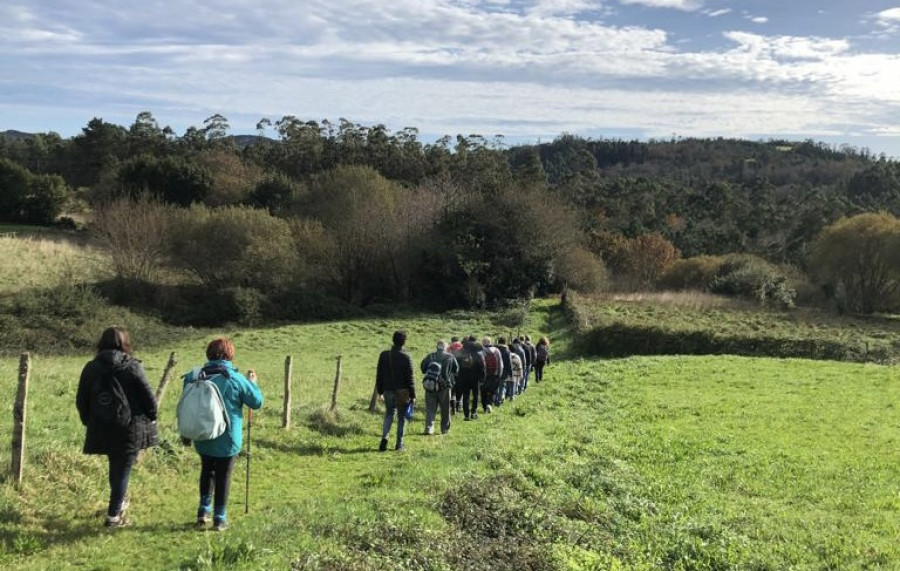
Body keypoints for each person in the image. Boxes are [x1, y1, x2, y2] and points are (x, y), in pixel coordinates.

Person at [76, 326, 159, 528]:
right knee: (122, 469)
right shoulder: (132, 367)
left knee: (116, 466)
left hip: (102, 425)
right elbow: (148, 397)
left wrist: (89, 420)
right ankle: (114, 516)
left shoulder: (91, 368)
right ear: (125, 343)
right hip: (130, 427)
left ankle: (118, 504)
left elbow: (81, 400)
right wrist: (152, 416)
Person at [183, 337, 263, 531]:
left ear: (209, 354)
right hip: (227, 437)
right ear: (230, 355)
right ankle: (220, 517)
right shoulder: (235, 378)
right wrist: (253, 383)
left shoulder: (193, 376)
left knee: (207, 470)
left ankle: (203, 510)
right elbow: (256, 402)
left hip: (201, 434)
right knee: (223, 474)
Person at [376, 330, 416, 451]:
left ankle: (384, 439)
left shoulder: (384, 355)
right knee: (401, 417)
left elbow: (379, 374)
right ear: (404, 342)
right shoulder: (406, 357)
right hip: (402, 392)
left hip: (388, 390)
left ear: (393, 340)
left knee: (389, 414)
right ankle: (399, 444)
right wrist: (413, 394)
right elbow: (410, 378)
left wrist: (380, 391)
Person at [420, 340, 459, 435]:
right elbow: (456, 369)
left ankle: (429, 428)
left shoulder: (430, 356)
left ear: (437, 346)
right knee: (445, 409)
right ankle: (444, 429)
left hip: (431, 385)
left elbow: (423, 369)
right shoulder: (450, 357)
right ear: (445, 347)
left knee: (430, 408)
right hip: (445, 386)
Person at [455, 336, 485, 420]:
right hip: (475, 378)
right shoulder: (478, 354)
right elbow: (482, 366)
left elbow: (456, 365)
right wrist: (482, 378)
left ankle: (466, 415)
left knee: (466, 396)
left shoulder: (461, 352)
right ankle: (474, 413)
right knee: (475, 396)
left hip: (463, 377)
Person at [481, 337, 503, 413]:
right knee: (492, 391)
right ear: (490, 342)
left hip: (484, 375)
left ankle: (484, 408)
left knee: (483, 391)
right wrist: (499, 374)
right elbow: (500, 364)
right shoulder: (497, 351)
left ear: (483, 343)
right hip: (495, 374)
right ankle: (489, 404)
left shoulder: (481, 351)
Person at [495, 336, 513, 405]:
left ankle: (495, 399)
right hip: (504, 371)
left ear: (499, 342)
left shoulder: (495, 349)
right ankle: (499, 400)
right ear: (505, 342)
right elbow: (509, 363)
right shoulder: (507, 351)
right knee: (502, 386)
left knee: (496, 386)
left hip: (496, 371)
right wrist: (510, 373)